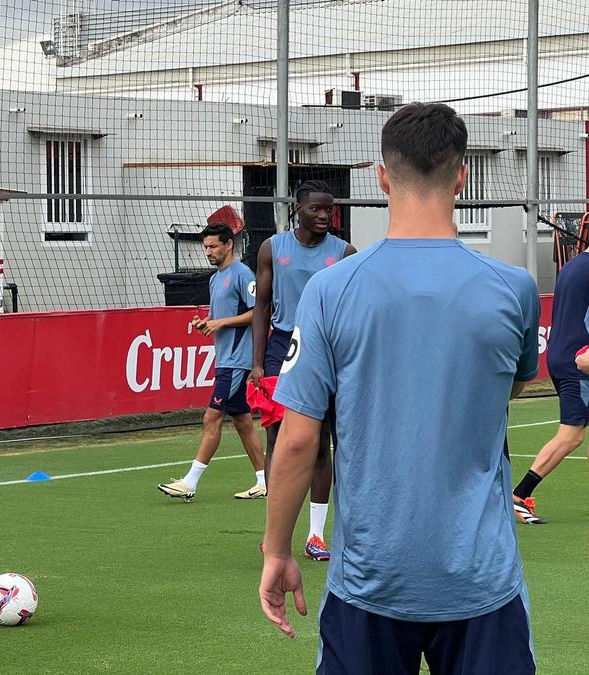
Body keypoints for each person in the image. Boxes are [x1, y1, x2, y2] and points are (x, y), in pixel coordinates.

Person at [260, 103, 539, 673]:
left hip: (369, 579)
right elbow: (506, 391)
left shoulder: (330, 290)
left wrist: (278, 551)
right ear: (461, 174)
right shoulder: (514, 289)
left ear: (382, 176)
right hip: (480, 579)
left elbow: (296, 443)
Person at [250, 180, 357, 562]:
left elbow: (350, 312)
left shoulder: (344, 252)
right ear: (299, 209)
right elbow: (261, 307)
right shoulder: (272, 248)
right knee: (279, 442)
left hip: (326, 350)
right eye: (317, 209)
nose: (326, 215)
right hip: (282, 348)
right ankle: (273, 534)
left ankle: (316, 536)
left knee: (321, 443)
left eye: (330, 209)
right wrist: (258, 362)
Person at [158, 223, 267, 502]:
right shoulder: (215, 278)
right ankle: (264, 480)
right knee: (242, 420)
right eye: (206, 247)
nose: (208, 251)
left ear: (229, 245)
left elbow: (259, 313)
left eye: (213, 246)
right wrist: (206, 323)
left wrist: (220, 323)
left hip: (237, 361)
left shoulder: (243, 274)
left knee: (212, 416)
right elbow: (224, 317)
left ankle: (190, 482)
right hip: (226, 359)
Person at [511, 249, 589, 524]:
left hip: (564, 354)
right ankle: (520, 495)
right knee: (571, 434)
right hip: (578, 361)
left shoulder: (575, 265)